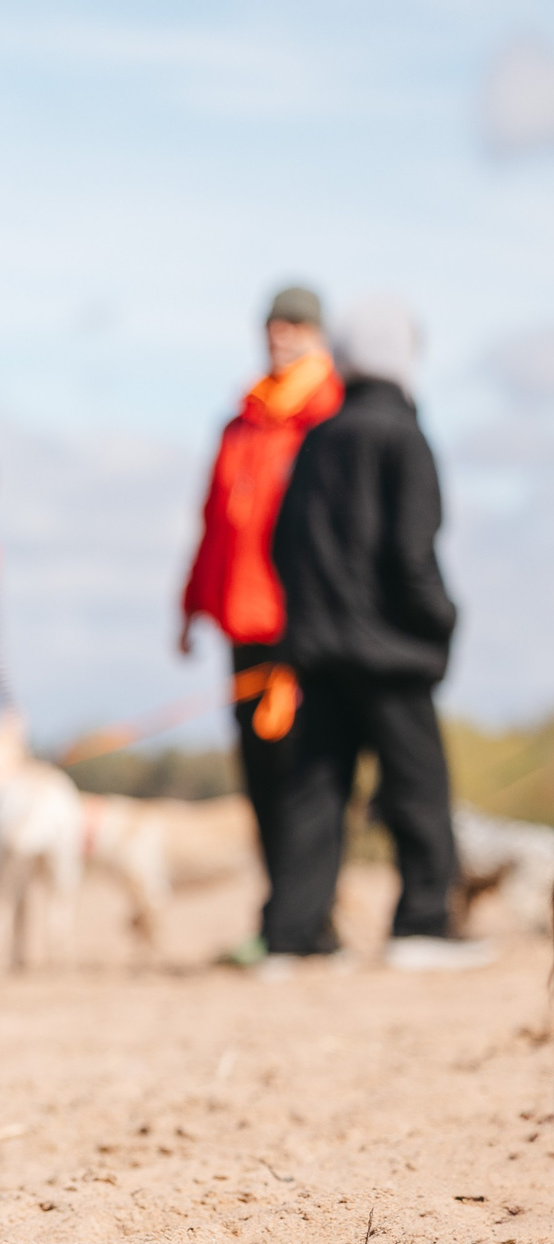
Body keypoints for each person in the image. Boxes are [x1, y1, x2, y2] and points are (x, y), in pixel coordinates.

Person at [261, 295, 485, 975]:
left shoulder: (318, 439)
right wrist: (439, 620)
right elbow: (413, 553)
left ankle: (293, 936)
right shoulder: (404, 438)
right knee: (418, 789)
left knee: (316, 792)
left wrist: (310, 620)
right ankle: (423, 922)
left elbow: (282, 543)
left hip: (321, 650)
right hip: (392, 654)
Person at [179, 284, 343, 964]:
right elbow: (213, 523)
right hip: (240, 622)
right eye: (274, 323)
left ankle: (305, 923)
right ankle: (284, 912)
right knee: (260, 775)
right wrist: (191, 604)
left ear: (318, 333)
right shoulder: (240, 422)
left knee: (304, 771)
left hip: (301, 622)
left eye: (296, 324)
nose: (281, 334)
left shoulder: (330, 415)